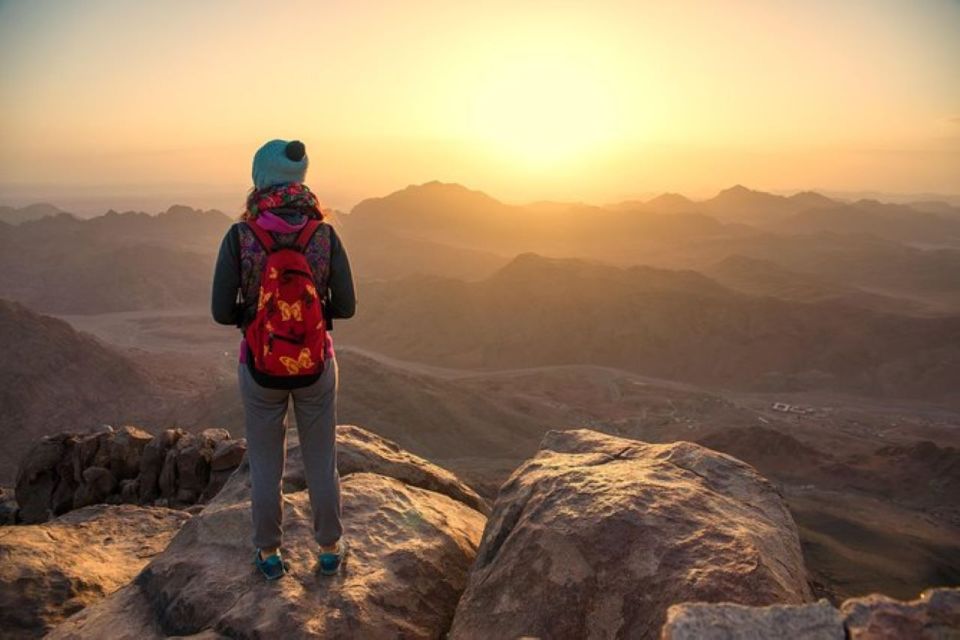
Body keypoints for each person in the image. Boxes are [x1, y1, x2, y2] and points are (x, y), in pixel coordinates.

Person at [211, 139, 356, 580]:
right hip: (315, 365)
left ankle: (269, 555)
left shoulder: (242, 236)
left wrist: (255, 319)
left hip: (259, 366)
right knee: (320, 462)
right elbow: (346, 306)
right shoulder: (324, 235)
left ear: (259, 178)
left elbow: (221, 311)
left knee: (266, 464)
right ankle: (329, 549)